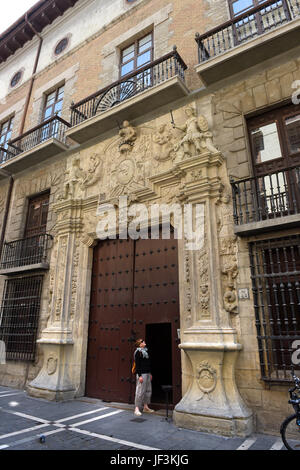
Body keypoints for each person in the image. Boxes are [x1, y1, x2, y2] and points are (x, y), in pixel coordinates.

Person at [133, 338, 154, 416]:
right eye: (142, 341)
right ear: (139, 344)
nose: (144, 342)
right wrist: (139, 376)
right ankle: (137, 408)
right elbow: (137, 365)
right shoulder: (137, 352)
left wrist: (150, 373)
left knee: (148, 390)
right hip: (142, 374)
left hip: (147, 373)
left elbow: (148, 364)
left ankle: (145, 407)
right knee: (140, 391)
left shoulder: (146, 351)